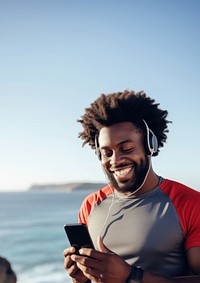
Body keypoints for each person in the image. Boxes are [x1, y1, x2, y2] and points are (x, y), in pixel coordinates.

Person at [63, 90, 200, 283]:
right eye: (106, 153)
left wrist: (132, 277)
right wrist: (81, 279)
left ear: (150, 145)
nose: (115, 160)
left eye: (126, 149)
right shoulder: (90, 205)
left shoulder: (190, 203)